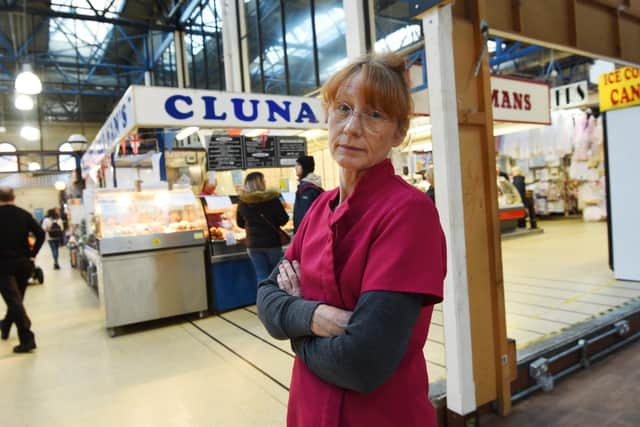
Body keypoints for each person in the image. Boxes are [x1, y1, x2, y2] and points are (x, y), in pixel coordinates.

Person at [256, 53, 446, 427]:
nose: (352, 127)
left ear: (399, 131)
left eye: (373, 114)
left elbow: (363, 363)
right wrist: (314, 315)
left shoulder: (408, 214)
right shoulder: (319, 209)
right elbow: (265, 299)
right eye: (343, 109)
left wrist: (295, 328)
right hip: (309, 412)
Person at [0, 187, 45, 353]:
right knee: (17, 300)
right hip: (23, 264)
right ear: (13, 197)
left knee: (14, 301)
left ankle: (27, 339)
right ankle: (5, 325)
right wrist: (32, 255)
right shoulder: (23, 214)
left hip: (3, 265)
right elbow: (40, 234)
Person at [236, 172, 289, 284]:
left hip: (253, 244)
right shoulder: (273, 200)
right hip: (272, 243)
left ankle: (263, 300)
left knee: (261, 276)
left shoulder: (242, 202)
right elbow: (283, 220)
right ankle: (276, 300)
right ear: (260, 183)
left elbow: (240, 224)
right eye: (263, 180)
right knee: (276, 275)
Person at [293, 155, 323, 232]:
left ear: (305, 167)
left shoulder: (307, 189)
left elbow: (303, 215)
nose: (295, 167)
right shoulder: (313, 185)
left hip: (306, 233)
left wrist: (299, 233)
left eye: (298, 165)